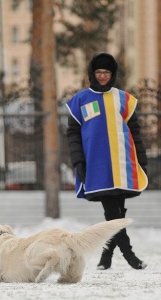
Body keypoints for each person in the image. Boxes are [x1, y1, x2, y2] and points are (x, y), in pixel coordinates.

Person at [66, 52, 148, 270]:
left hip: (123, 163)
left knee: (116, 211)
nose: (103, 76)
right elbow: (73, 134)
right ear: (92, 73)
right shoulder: (80, 100)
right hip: (96, 165)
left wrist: (142, 159)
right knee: (113, 212)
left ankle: (106, 258)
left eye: (107, 72)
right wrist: (78, 162)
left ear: (113, 74)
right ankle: (130, 255)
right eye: (99, 72)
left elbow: (135, 132)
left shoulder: (124, 99)